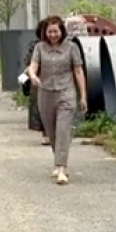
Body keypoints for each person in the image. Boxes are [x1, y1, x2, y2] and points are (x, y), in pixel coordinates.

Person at [26, 14, 88, 185]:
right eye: (50, 32)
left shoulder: (71, 48)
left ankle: (61, 168)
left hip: (66, 93)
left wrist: (83, 96)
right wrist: (33, 76)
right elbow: (33, 66)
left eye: (56, 31)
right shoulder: (40, 48)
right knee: (51, 131)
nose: (53, 35)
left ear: (62, 31)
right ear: (45, 33)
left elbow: (78, 72)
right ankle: (58, 159)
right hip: (46, 93)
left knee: (63, 130)